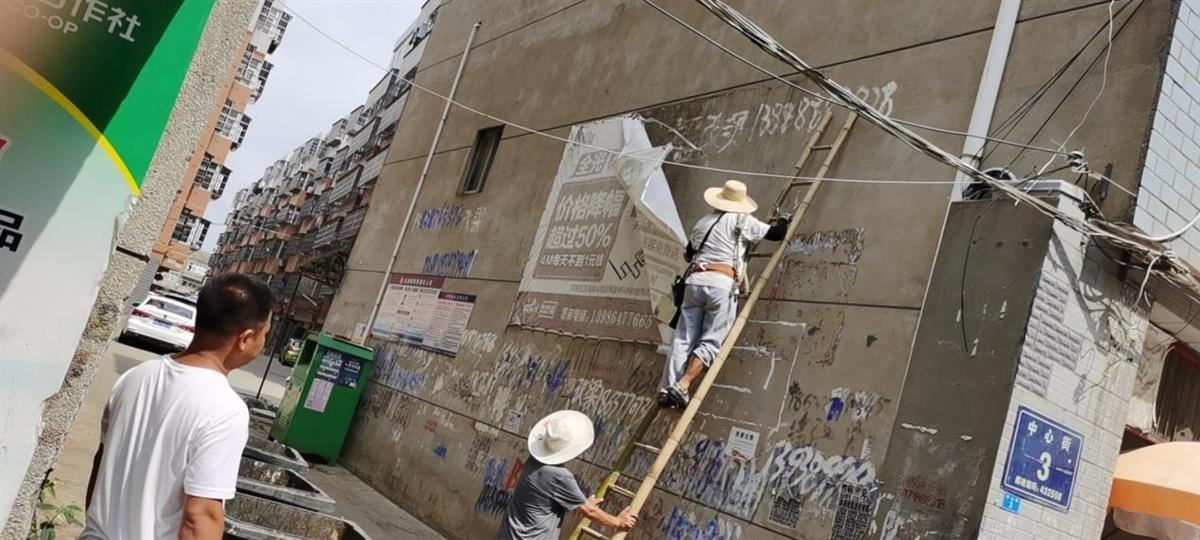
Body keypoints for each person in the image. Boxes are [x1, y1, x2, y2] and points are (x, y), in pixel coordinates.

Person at [83, 274, 274, 540]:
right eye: (265, 334)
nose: (263, 344)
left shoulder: (134, 377)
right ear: (246, 338)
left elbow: (101, 466)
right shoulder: (226, 410)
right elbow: (200, 517)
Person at [660, 180, 789, 408]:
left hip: (694, 283)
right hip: (721, 284)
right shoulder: (742, 220)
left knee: (683, 338)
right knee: (711, 339)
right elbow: (777, 234)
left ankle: (666, 388)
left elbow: (689, 253)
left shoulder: (702, 223)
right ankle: (683, 385)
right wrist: (784, 220)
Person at [498, 410, 637, 539]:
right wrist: (617, 522)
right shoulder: (560, 475)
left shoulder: (533, 460)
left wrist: (580, 501)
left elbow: (548, 497)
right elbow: (589, 512)